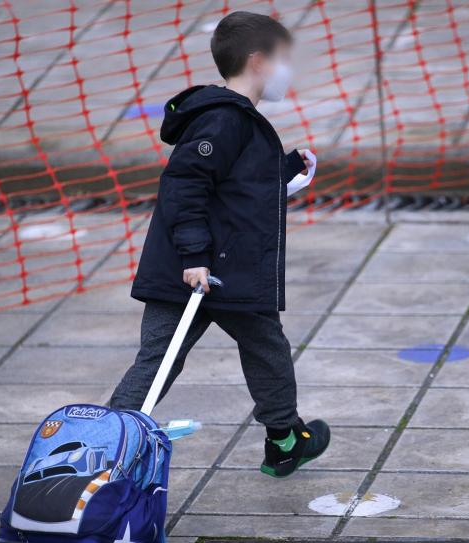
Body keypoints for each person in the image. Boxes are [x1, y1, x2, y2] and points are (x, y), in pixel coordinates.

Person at [110, 11, 330, 477]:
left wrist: (284, 172)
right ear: (258, 61)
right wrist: (194, 258)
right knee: (160, 359)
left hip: (226, 268)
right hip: (196, 272)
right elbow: (184, 185)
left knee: (265, 349)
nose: (290, 70)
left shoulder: (236, 121)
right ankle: (108, 446)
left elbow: (232, 186)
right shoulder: (224, 121)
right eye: (284, 59)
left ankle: (285, 439)